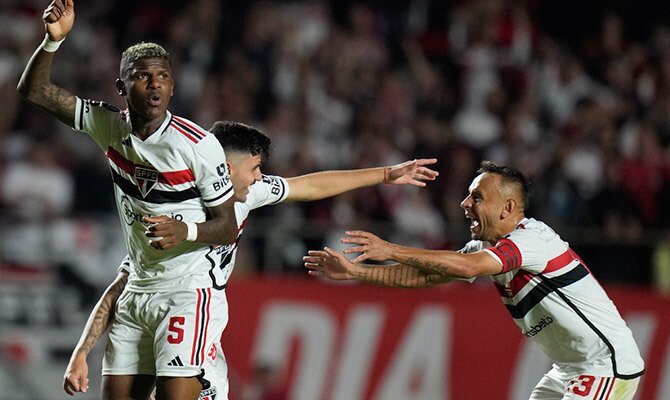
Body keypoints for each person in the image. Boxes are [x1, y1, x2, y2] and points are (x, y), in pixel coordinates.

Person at [62, 121, 439, 398]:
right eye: (254, 168)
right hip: (158, 313)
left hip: (196, 319)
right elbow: (127, 279)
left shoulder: (249, 193)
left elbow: (310, 185)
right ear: (222, 169)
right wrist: (82, 351)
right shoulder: (169, 202)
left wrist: (387, 174)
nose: (260, 177)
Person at [18, 1, 239, 399]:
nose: (155, 85)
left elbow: (227, 225)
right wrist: (53, 42)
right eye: (142, 77)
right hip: (137, 289)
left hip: (186, 291)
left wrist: (184, 229)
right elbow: (35, 91)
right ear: (121, 87)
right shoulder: (108, 125)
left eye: (163, 77)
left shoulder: (199, 146)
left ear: (172, 85)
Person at [304, 160, 645, 399]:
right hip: (569, 368)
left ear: (507, 208)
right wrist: (356, 273)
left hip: (604, 365)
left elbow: (468, 268)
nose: (465, 203)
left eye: (477, 197)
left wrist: (390, 248)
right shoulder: (485, 245)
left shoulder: (532, 240)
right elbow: (426, 277)